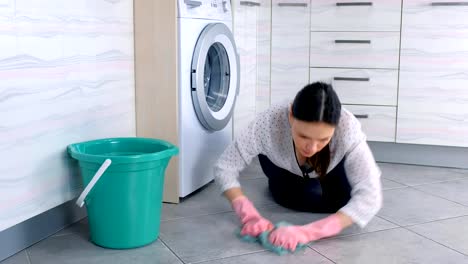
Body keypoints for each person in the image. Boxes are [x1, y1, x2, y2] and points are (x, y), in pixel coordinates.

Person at [214, 82, 383, 251]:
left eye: (323, 140)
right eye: (304, 136)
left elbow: (371, 196)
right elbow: (225, 167)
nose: (312, 148)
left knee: (343, 201)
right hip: (281, 164)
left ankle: (316, 174)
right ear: (290, 116)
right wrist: (248, 214)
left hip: (329, 167)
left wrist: (308, 232)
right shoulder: (268, 122)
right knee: (290, 199)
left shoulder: (348, 128)